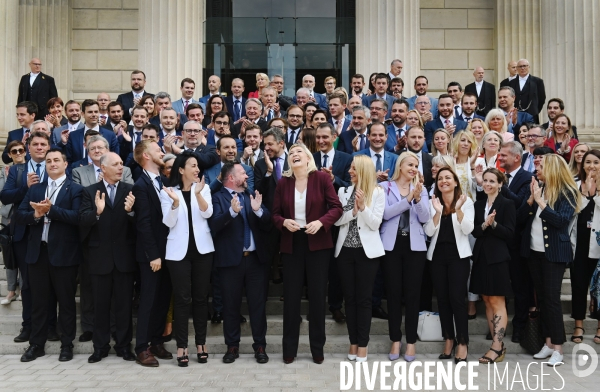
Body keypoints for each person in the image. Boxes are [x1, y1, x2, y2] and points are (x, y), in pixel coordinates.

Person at [272, 143, 343, 364]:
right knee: (291, 299)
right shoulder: (283, 183)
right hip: (293, 243)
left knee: (317, 298)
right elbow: (274, 214)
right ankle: (289, 350)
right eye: (291, 153)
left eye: (298, 152)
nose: (294, 155)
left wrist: (321, 223)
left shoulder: (321, 179)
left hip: (318, 243)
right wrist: (284, 222)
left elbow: (336, 208)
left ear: (308, 157)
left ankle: (317, 349)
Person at [16, 148, 83, 362]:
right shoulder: (36, 189)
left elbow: (77, 217)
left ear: (65, 164)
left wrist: (51, 210)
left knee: (65, 302)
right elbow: (20, 215)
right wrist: (36, 214)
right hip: (38, 254)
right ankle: (36, 344)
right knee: (39, 303)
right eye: (48, 161)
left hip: (64, 255)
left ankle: (66, 345)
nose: (52, 163)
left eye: (56, 160)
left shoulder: (76, 189)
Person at [518, 154, 580, 366]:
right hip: (534, 252)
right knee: (542, 299)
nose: (537, 169)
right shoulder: (540, 188)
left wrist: (541, 202)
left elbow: (561, 221)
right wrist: (532, 200)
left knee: (552, 300)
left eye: (541, 166)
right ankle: (547, 343)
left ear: (552, 168)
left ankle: (559, 349)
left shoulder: (567, 191)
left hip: (554, 254)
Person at [209, 162, 272, 364]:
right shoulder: (217, 198)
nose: (247, 176)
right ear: (231, 178)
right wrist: (232, 213)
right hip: (230, 262)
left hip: (255, 261)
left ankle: (260, 346)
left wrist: (258, 211)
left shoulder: (251, 195)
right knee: (230, 306)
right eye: (243, 173)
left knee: (258, 306)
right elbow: (214, 225)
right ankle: (232, 346)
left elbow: (268, 222)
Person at [0, 132, 59, 343]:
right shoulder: (17, 170)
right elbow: (5, 197)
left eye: (44, 144)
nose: (40, 148)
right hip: (24, 233)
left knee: (50, 283)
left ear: (49, 146)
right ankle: (28, 326)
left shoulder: (56, 167)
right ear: (29, 147)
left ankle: (51, 326)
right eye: (35, 144)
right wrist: (25, 187)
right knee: (27, 285)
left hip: (51, 233)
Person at [79, 152, 137, 363]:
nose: (121, 167)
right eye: (116, 164)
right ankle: (100, 347)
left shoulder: (130, 190)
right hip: (99, 258)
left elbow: (141, 223)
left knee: (124, 306)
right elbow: (82, 221)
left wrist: (131, 213)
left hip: (124, 258)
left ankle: (124, 346)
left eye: (122, 163)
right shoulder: (89, 191)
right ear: (103, 168)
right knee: (100, 306)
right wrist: (97, 212)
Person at [159, 152, 214, 366]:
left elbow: (208, 213)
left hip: (203, 251)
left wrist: (198, 194)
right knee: (182, 299)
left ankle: (201, 343)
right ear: (181, 170)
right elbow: (168, 222)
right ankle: (182, 346)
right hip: (178, 253)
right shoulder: (168, 192)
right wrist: (174, 203)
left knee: (200, 299)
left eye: (198, 166)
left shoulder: (205, 189)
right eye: (193, 165)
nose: (197, 169)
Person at [380, 152, 430, 362]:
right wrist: (408, 198)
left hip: (414, 247)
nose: (414, 169)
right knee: (393, 294)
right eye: (410, 164)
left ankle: (410, 342)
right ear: (400, 166)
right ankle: (395, 339)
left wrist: (417, 198)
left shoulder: (421, 189)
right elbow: (385, 213)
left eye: (416, 166)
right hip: (392, 245)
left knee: (412, 295)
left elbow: (425, 217)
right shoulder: (384, 188)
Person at [334, 155, 385, 363]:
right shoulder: (343, 191)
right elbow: (337, 219)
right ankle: (352, 342)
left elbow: (375, 224)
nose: (349, 171)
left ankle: (362, 345)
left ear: (363, 170)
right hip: (345, 251)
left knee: (364, 300)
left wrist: (363, 207)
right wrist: (353, 210)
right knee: (350, 299)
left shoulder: (378, 192)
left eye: (353, 168)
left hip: (367, 253)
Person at [424, 167, 474, 363]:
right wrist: (437, 213)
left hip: (458, 257)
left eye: (448, 178)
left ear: (455, 182)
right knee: (443, 300)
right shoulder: (433, 202)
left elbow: (468, 228)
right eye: (440, 179)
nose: (443, 181)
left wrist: (458, 209)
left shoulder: (466, 201)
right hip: (437, 257)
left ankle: (463, 342)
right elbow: (428, 232)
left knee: (457, 300)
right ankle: (449, 339)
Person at [131, 140, 172, 367]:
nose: (162, 152)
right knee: (148, 300)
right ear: (146, 155)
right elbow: (144, 224)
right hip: (151, 255)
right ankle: (142, 348)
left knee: (162, 299)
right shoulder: (140, 185)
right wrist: (153, 255)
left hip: (168, 252)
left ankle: (156, 341)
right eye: (157, 150)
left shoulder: (164, 181)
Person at [470, 168, 515, 364]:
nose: (488, 184)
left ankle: (496, 346)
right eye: (485, 181)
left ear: (500, 184)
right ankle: (497, 345)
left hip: (498, 258)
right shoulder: (478, 204)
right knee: (487, 300)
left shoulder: (507, 204)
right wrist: (485, 225)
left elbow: (510, 234)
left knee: (497, 301)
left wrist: (494, 225)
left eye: (492, 181)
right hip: (481, 257)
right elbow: (474, 231)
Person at [570, 150, 600, 345]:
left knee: (598, 289)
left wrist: (593, 193)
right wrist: (585, 192)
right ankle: (578, 325)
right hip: (579, 244)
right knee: (578, 285)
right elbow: (574, 210)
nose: (591, 166)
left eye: (596, 162)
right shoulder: (574, 185)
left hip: (598, 245)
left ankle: (599, 327)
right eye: (588, 162)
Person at [0, 141, 27, 305]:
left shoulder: (32, 168)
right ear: (9, 155)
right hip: (8, 215)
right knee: (9, 253)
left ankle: (24, 289)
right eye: (14, 151)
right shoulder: (5, 170)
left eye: (20, 150)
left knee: (24, 254)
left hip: (24, 215)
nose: (18, 153)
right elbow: (4, 193)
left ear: (25, 151)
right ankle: (11, 290)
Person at [508, 59, 546, 123]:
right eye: (520, 66)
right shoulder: (511, 83)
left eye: (525, 66)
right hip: (516, 116)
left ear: (529, 67)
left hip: (532, 115)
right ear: (517, 68)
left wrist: (535, 110)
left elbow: (542, 98)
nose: (522, 68)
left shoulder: (538, 81)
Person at [452, 130, 478, 201]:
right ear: (457, 142)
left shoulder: (478, 162)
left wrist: (472, 166)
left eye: (469, 141)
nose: (466, 144)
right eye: (463, 140)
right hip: (453, 203)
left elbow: (479, 187)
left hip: (471, 204)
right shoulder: (450, 162)